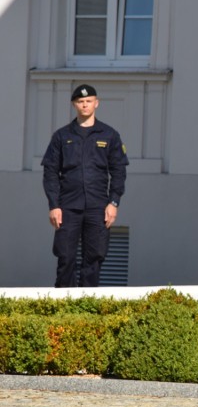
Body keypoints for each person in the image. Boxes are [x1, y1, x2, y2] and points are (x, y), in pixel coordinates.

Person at [41, 84, 129, 288]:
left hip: (98, 207)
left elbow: (118, 171)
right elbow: (50, 172)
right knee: (65, 257)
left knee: (95, 257)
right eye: (80, 102)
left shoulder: (109, 135)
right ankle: (63, 305)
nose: (85, 105)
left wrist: (113, 202)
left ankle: (88, 305)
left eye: (89, 101)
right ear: (74, 104)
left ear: (96, 103)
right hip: (68, 207)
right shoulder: (62, 136)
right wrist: (54, 205)